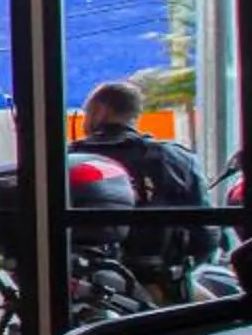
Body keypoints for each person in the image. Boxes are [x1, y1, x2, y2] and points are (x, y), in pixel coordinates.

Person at [70, 79, 207, 299]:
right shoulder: (175, 159)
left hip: (79, 275)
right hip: (157, 283)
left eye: (87, 113)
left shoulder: (68, 159)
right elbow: (205, 233)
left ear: (100, 111)